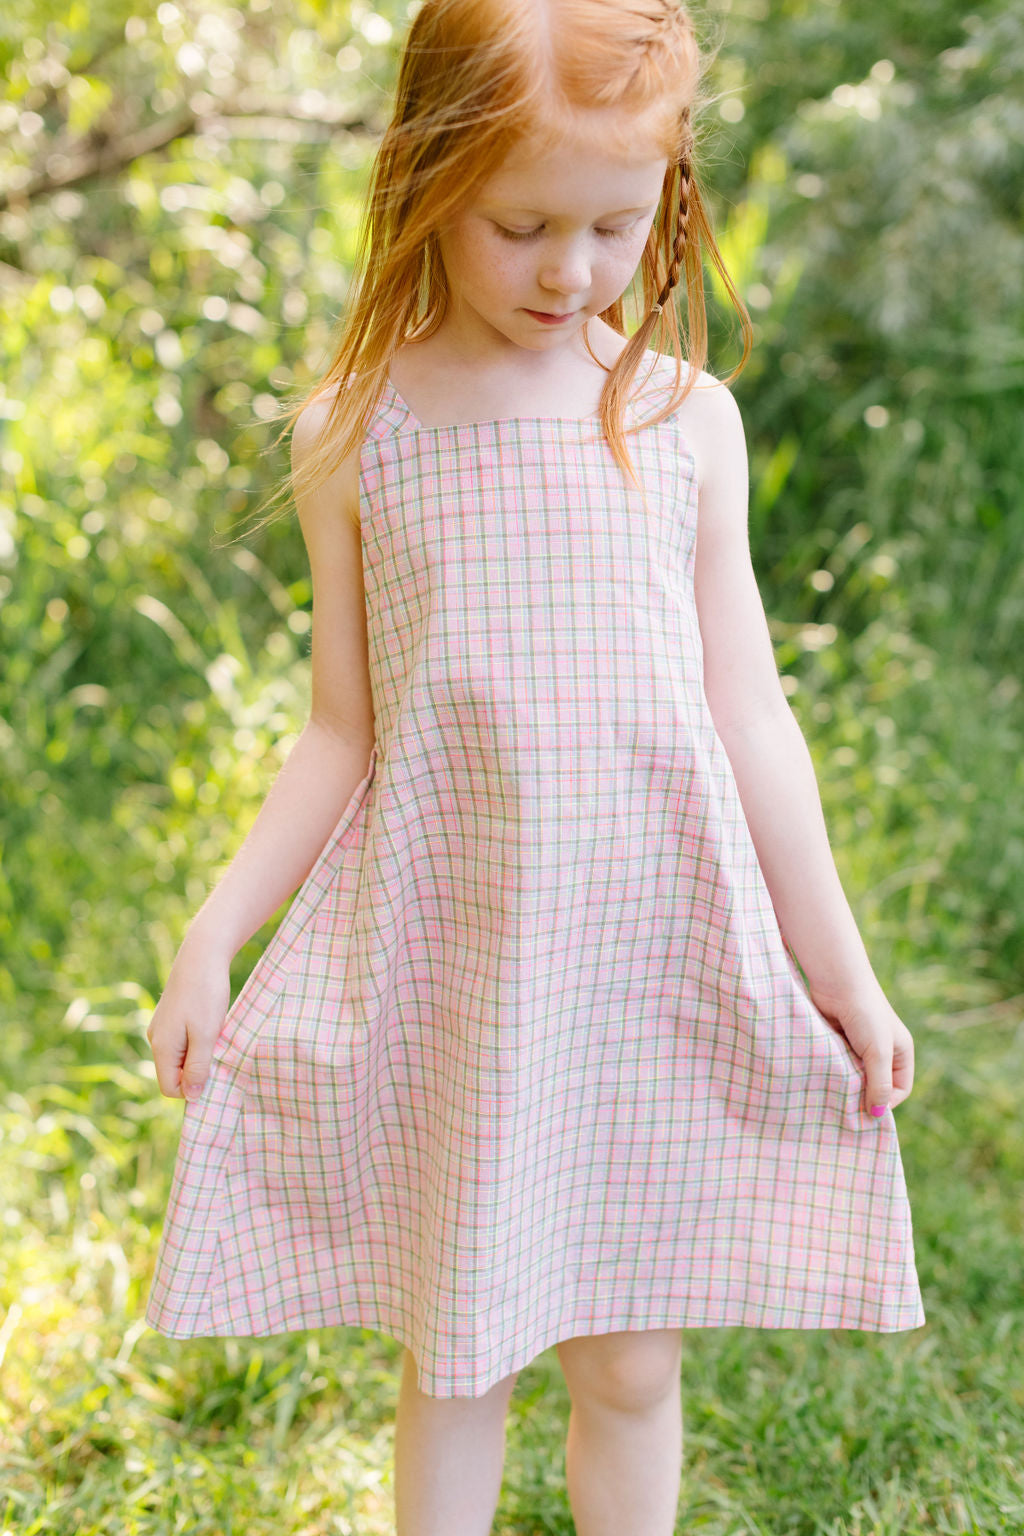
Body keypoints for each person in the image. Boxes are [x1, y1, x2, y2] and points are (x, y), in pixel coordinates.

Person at [144, 1, 926, 1531]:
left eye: (616, 225)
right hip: (468, 957)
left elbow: (753, 718)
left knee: (629, 1360)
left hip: (645, 955)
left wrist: (846, 974)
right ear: (427, 187)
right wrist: (211, 933)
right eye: (523, 226)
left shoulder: (686, 421)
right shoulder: (358, 431)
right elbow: (340, 731)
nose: (572, 270)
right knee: (461, 1350)